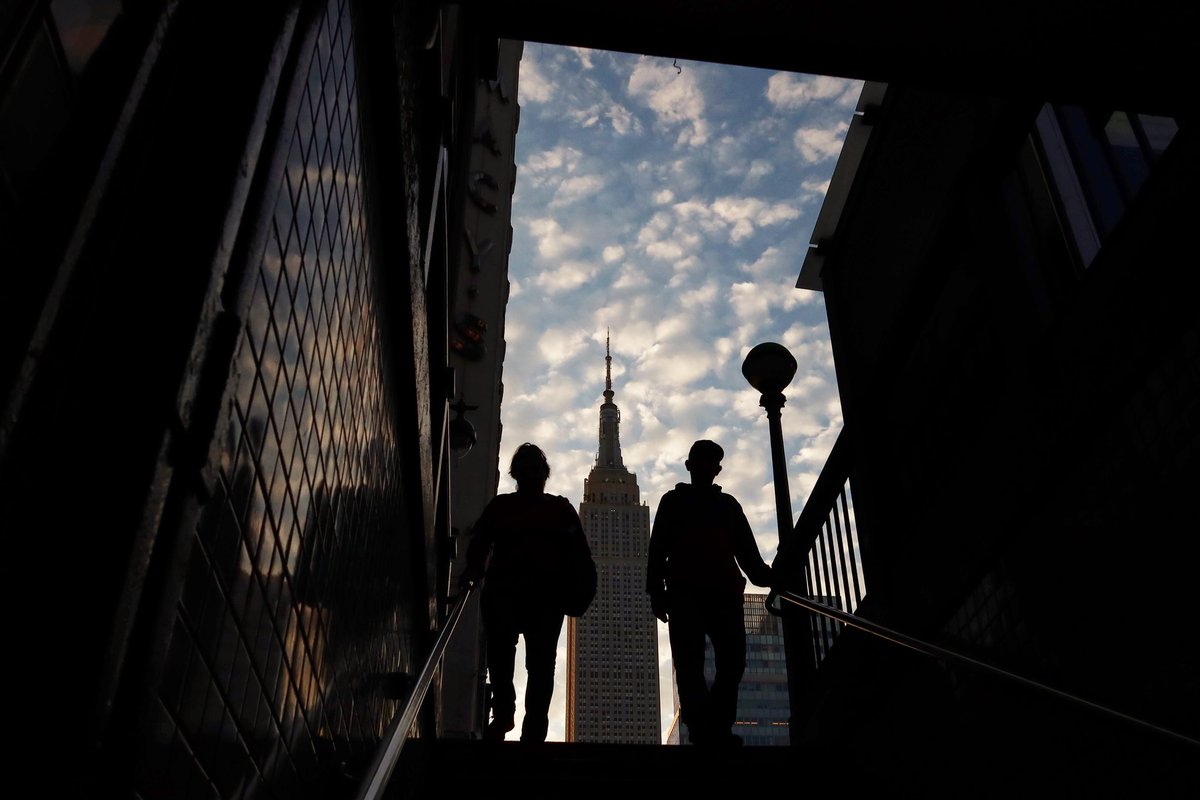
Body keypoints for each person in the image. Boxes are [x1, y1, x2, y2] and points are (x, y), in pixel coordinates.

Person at [646, 439, 774, 746]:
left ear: (717, 469)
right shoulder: (672, 502)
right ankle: (704, 728)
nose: (707, 468)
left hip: (723, 594)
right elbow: (657, 550)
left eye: (712, 463)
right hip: (685, 594)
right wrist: (656, 592)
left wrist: (771, 575)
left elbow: (749, 556)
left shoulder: (728, 506)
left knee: (733, 663)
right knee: (690, 665)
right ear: (690, 466)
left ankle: (715, 724)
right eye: (701, 461)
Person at [461, 443, 589, 743]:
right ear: (518, 474)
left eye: (536, 471)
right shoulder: (507, 507)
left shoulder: (554, 508)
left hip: (539, 599)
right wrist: (474, 569)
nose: (532, 476)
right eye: (527, 471)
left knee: (532, 664)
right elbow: (480, 543)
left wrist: (580, 594)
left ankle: (523, 723)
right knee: (510, 660)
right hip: (513, 596)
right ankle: (509, 717)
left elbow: (580, 556)